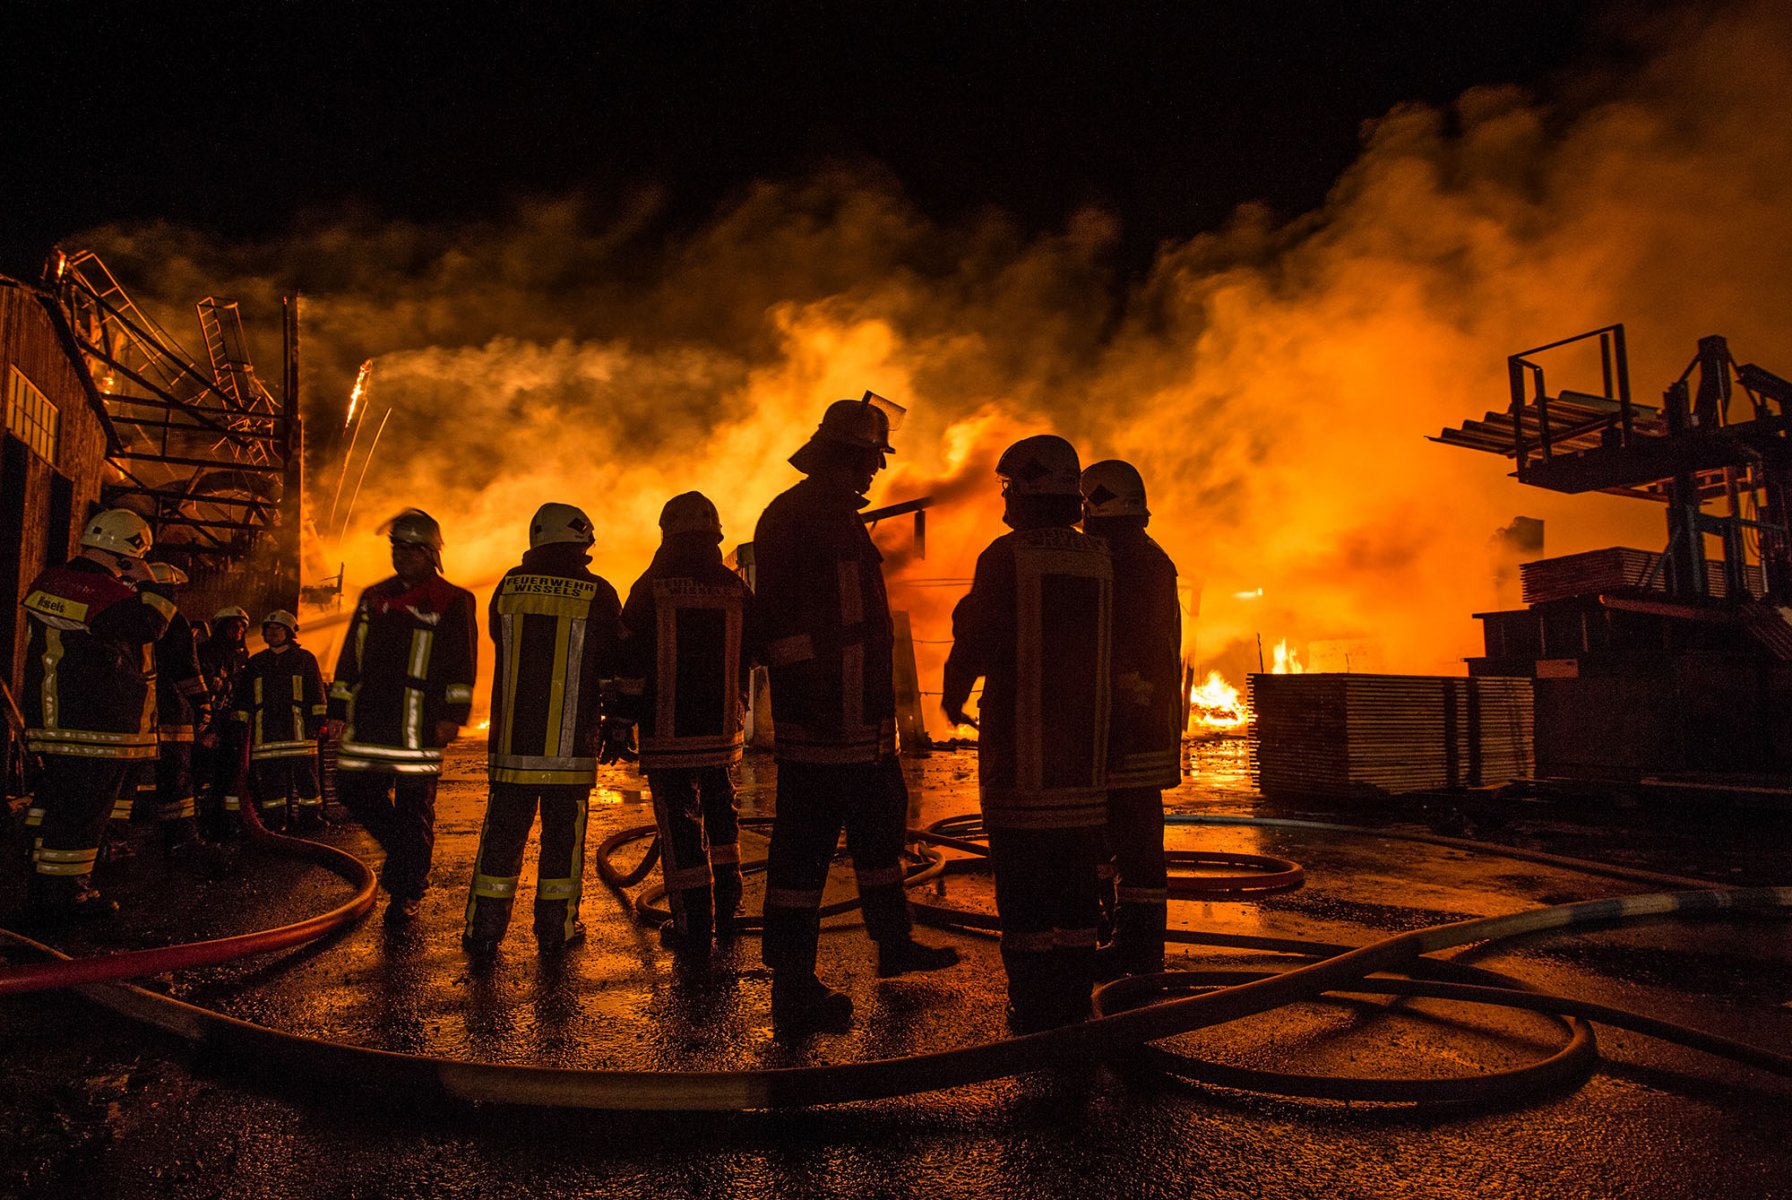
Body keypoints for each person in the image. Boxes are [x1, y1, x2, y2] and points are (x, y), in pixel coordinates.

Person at [754, 394, 958, 1036]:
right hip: (824, 725)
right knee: (802, 858)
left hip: (862, 724)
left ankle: (894, 944)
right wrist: (817, 703)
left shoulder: (832, 515)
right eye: (871, 457)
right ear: (846, 454)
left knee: (879, 841)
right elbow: (785, 625)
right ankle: (792, 984)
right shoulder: (800, 517)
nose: (877, 470)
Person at [942, 435, 1114, 1033]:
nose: (1005, 499)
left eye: (1010, 487)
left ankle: (1034, 1004)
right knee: (1075, 888)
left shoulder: (1004, 556)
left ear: (1029, 489)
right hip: (1084, 761)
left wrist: (954, 691)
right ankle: (1074, 999)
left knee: (1023, 888)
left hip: (1020, 757)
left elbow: (978, 637)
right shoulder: (1099, 556)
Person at [462, 502, 620, 957]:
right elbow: (613, 665)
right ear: (580, 540)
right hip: (570, 750)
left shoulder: (508, 586)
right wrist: (617, 725)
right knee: (562, 842)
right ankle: (557, 929)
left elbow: (500, 639)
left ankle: (483, 930)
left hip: (512, 747)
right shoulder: (598, 592)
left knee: (501, 838)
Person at [612, 492, 757, 957]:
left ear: (666, 532)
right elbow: (756, 651)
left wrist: (620, 722)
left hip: (669, 733)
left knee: (681, 829)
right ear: (715, 534)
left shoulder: (650, 587)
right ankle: (728, 910)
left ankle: (694, 925)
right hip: (722, 734)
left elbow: (630, 664)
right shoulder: (734, 586)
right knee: (722, 822)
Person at [18, 509, 175, 920]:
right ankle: (66, 896)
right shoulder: (103, 593)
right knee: (83, 814)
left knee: (57, 808)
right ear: (128, 554)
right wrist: (153, 583)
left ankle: (45, 886)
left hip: (58, 718)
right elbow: (151, 624)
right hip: (92, 722)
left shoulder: (54, 581)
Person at [326, 509, 478, 927]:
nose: (401, 556)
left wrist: (453, 715)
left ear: (431, 553)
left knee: (414, 811)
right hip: (372, 717)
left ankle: (407, 890)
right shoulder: (374, 596)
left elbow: (462, 662)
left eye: (411, 549)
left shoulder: (452, 600)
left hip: (419, 723)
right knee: (352, 789)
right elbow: (351, 655)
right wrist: (338, 707)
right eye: (397, 547)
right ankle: (405, 858)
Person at [1080, 460, 1182, 979]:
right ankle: (1123, 938)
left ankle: (1137, 950)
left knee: (1135, 847)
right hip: (1136, 726)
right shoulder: (1142, 556)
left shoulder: (1129, 563)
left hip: (1127, 731)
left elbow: (1120, 645)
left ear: (1094, 507)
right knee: (1116, 841)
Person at [232, 611, 327, 833]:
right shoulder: (256, 663)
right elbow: (244, 698)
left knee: (307, 781)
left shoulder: (304, 659)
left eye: (279, 629)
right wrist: (238, 725)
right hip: (266, 736)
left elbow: (316, 693)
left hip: (300, 735)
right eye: (269, 629)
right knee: (271, 784)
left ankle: (310, 819)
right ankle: (276, 822)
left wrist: (319, 722)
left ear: (290, 633)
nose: (273, 633)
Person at [147, 563, 209, 853]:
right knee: (176, 776)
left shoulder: (126, 613)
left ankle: (117, 839)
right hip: (171, 711)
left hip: (135, 717)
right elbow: (187, 668)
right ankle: (181, 838)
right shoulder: (172, 617)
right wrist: (202, 704)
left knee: (129, 780)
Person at [194, 606, 251, 840]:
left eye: (241, 628)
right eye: (233, 626)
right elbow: (205, 684)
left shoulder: (241, 657)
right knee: (201, 777)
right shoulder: (205, 652)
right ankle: (199, 825)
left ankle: (227, 824)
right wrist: (206, 730)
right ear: (220, 628)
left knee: (228, 777)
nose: (238, 631)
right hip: (206, 724)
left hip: (229, 728)